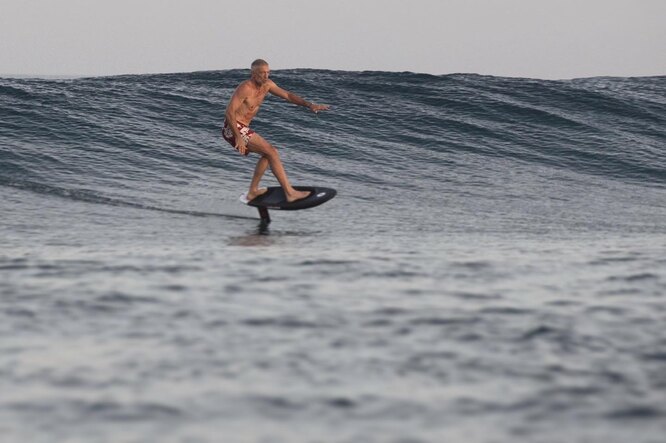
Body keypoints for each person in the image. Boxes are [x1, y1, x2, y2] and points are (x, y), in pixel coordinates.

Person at [223, 59, 330, 202]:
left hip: (244, 128)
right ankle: (290, 193)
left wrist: (309, 105)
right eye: (262, 73)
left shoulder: (267, 85)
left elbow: (288, 96)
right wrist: (238, 136)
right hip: (233, 128)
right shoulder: (245, 88)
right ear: (253, 74)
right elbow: (229, 112)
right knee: (272, 151)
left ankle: (253, 192)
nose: (266, 76)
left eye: (268, 72)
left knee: (268, 155)